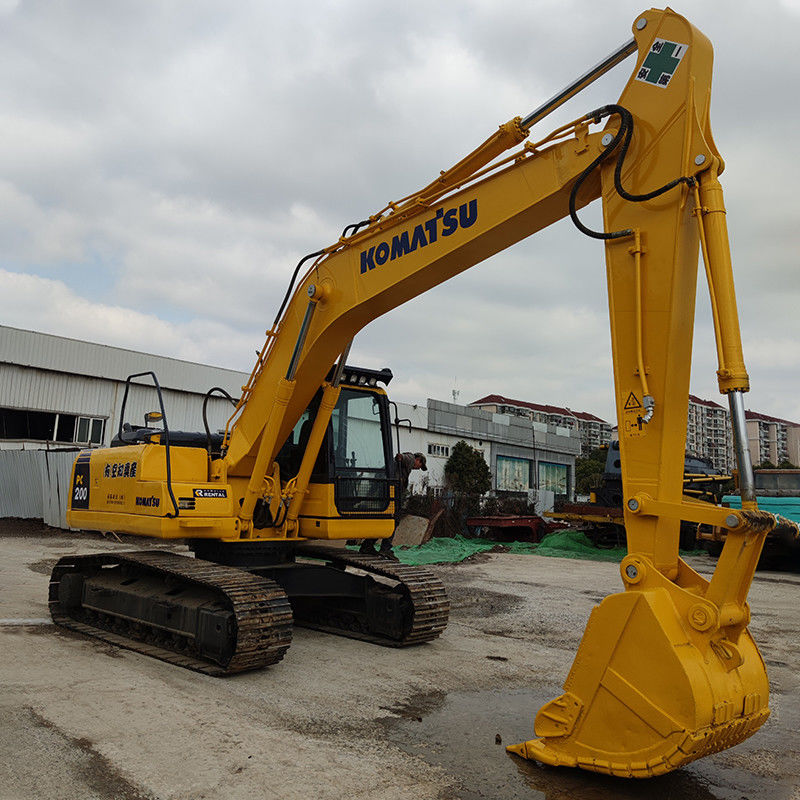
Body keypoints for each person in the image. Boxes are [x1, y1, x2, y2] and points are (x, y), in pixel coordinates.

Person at [360, 451, 427, 558]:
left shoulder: (400, 467)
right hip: (391, 494)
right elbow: (404, 457)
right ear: (418, 460)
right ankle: (385, 549)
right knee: (394, 521)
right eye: (420, 466)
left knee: (383, 521)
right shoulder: (410, 458)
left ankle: (367, 545)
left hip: (386, 492)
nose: (418, 468)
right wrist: (400, 457)